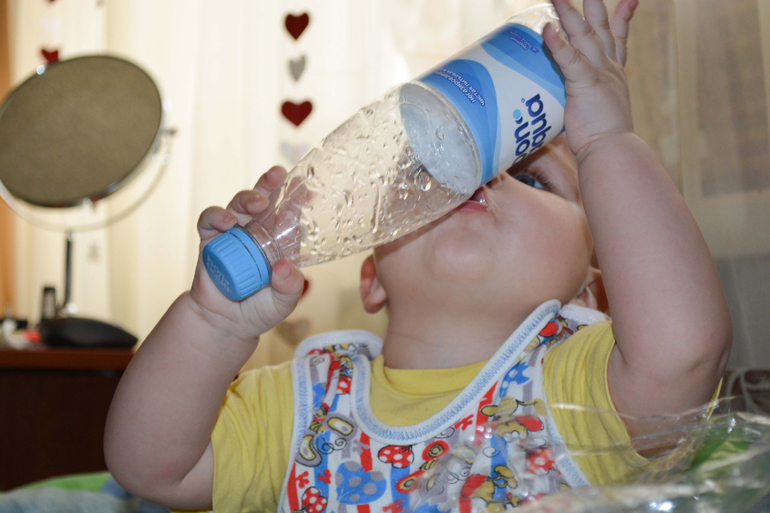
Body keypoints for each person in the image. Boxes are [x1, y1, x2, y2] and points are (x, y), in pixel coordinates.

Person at [104, 0, 732, 511]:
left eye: (532, 177)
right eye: (428, 174)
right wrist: (213, 322)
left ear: (588, 294)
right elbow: (153, 469)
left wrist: (607, 143)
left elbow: (684, 349)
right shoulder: (304, 407)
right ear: (372, 275)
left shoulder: (583, 386)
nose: (480, 176)